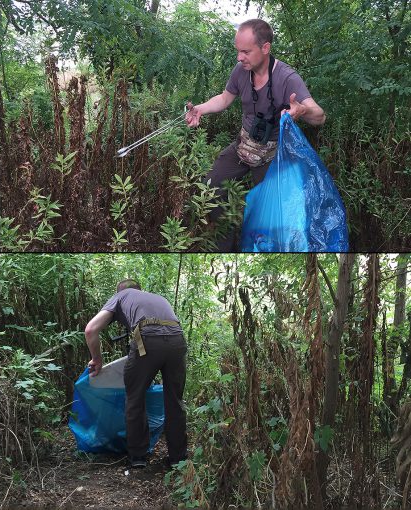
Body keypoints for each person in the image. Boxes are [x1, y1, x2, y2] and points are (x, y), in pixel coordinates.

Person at [184, 19, 326, 250]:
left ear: (265, 48)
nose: (240, 58)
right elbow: (224, 98)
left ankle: (258, 245)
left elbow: (320, 116)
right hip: (243, 145)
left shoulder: (287, 78)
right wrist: (200, 108)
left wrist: (302, 110)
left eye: (246, 52)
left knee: (267, 213)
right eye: (238, 51)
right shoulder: (241, 71)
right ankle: (225, 243)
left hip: (270, 156)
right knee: (209, 187)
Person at [84, 279, 187, 470]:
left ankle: (138, 457)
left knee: (135, 397)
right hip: (177, 340)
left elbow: (90, 330)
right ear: (140, 290)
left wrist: (97, 359)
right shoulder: (157, 297)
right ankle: (178, 459)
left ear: (119, 291)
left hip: (146, 339)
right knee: (175, 401)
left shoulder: (120, 296)